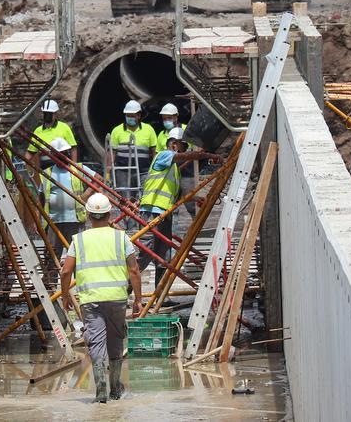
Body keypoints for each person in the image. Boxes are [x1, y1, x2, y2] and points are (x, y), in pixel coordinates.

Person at [60, 193, 142, 404]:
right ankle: (115, 388)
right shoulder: (121, 237)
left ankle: (100, 391)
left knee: (96, 342)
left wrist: (65, 297)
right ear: (110, 214)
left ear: (88, 215)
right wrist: (138, 300)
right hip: (116, 298)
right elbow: (134, 270)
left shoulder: (78, 240)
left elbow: (65, 271)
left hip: (91, 300)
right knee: (115, 341)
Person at [137, 127, 219, 288]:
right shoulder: (163, 155)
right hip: (152, 211)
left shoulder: (173, 169)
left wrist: (194, 198)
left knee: (164, 256)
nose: (186, 150)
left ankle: (160, 293)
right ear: (174, 144)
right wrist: (204, 155)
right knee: (146, 253)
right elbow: (186, 156)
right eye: (184, 145)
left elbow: (176, 192)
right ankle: (126, 287)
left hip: (165, 214)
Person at [40, 137, 89, 256]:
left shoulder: (77, 168)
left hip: (74, 220)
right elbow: (41, 196)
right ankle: (51, 274)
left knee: (76, 254)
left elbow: (98, 179)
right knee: (52, 256)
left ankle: (77, 275)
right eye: (59, 154)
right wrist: (40, 217)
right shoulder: (47, 173)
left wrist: (84, 196)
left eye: (64, 153)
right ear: (53, 156)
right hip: (54, 221)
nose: (63, 157)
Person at [106, 100, 159, 204]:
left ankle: (140, 219)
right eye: (127, 115)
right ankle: (127, 220)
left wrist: (155, 170)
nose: (129, 118)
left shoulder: (149, 130)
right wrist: (108, 172)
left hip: (144, 171)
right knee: (125, 200)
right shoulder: (117, 130)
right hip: (123, 172)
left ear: (139, 115)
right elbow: (112, 152)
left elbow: (154, 152)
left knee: (144, 199)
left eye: (132, 115)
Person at [27, 99, 78, 181]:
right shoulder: (38, 131)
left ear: (55, 114)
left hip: (62, 166)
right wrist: (24, 163)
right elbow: (31, 152)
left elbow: (73, 148)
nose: (47, 115)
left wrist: (74, 166)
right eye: (45, 113)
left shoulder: (64, 128)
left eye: (49, 113)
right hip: (44, 168)